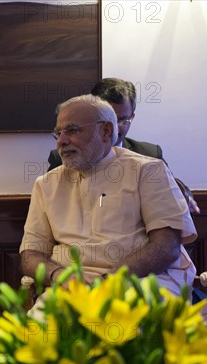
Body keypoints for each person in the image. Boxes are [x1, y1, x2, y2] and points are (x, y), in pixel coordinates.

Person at [21, 94, 197, 296]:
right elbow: (31, 253)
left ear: (106, 131)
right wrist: (59, 275)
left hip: (142, 280)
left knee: (125, 321)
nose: (61, 141)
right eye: (58, 133)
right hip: (71, 288)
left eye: (72, 130)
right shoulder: (46, 184)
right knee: (43, 325)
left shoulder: (149, 171)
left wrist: (108, 282)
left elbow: (166, 246)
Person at [47, 77, 200, 214]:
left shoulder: (149, 154)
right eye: (108, 121)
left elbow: (175, 190)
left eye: (122, 121)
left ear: (132, 116)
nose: (114, 129)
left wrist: (184, 195)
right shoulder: (63, 157)